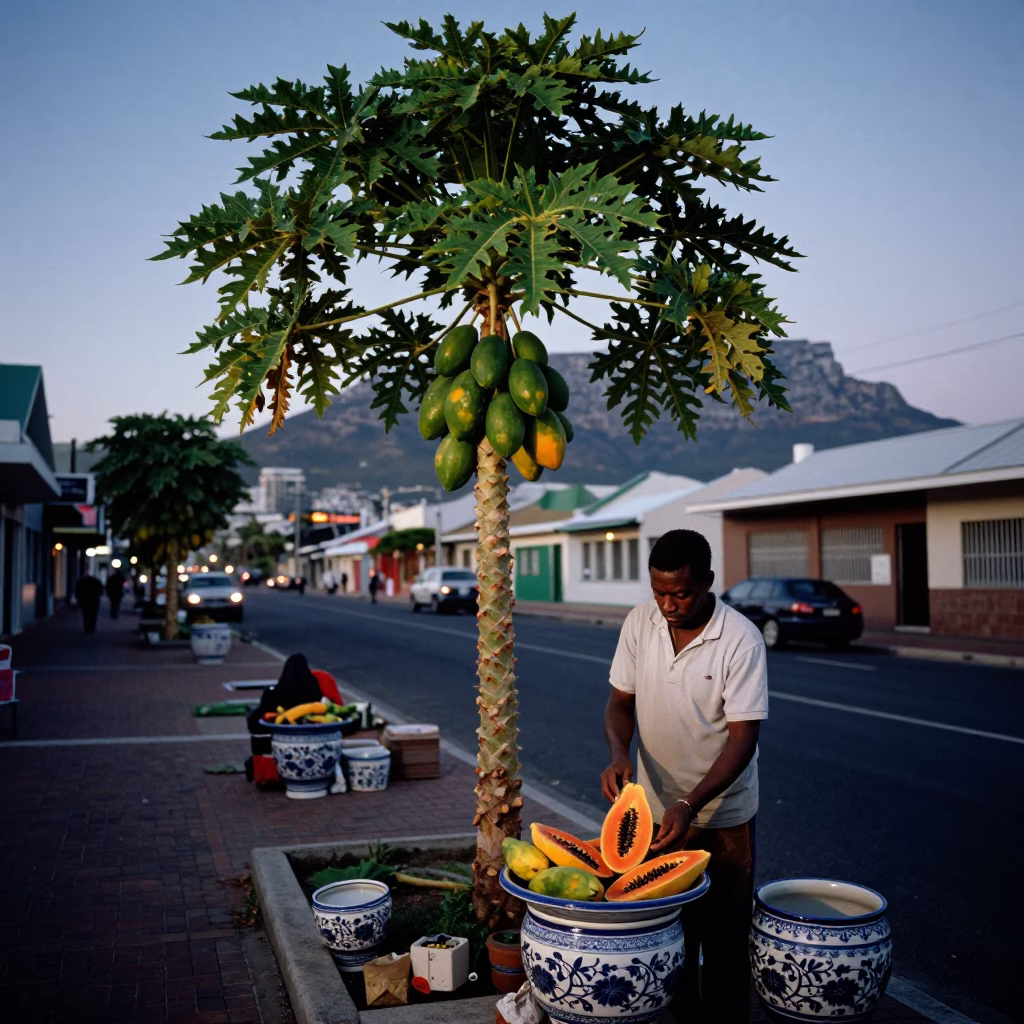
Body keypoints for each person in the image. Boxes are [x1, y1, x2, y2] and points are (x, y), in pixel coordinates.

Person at [601, 529, 767, 1024]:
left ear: (708, 581)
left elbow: (743, 738)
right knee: (672, 932)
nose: (668, 605)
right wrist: (617, 753)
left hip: (723, 815)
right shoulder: (639, 622)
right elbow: (619, 702)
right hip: (654, 810)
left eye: (681, 594)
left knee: (725, 936)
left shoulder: (740, 639)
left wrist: (690, 804)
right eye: (659, 593)